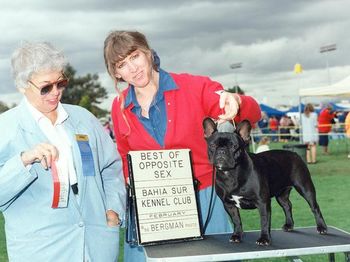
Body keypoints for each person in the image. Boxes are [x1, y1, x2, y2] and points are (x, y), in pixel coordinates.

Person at [103, 30, 261, 262]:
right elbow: (125, 155)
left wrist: (236, 101)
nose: (132, 68)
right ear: (116, 72)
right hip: (153, 206)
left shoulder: (195, 87)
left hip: (206, 199)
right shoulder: (119, 107)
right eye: (122, 65)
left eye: (135, 56)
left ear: (148, 53)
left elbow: (252, 113)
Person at [0, 42, 126, 261]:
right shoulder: (5, 128)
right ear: (22, 86)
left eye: (61, 83)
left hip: (96, 245)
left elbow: (111, 167)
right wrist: (24, 161)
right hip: (41, 250)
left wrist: (113, 210)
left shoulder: (84, 118)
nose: (56, 93)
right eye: (45, 87)